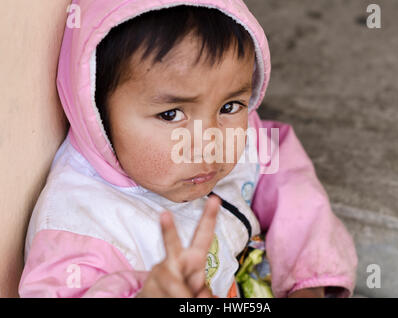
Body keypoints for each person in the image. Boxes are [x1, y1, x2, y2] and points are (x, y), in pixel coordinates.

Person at [19, 0, 357, 298]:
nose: (209, 144)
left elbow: (285, 172)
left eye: (230, 106)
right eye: (171, 114)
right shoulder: (80, 226)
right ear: (94, 109)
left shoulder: (234, 136)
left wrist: (308, 281)